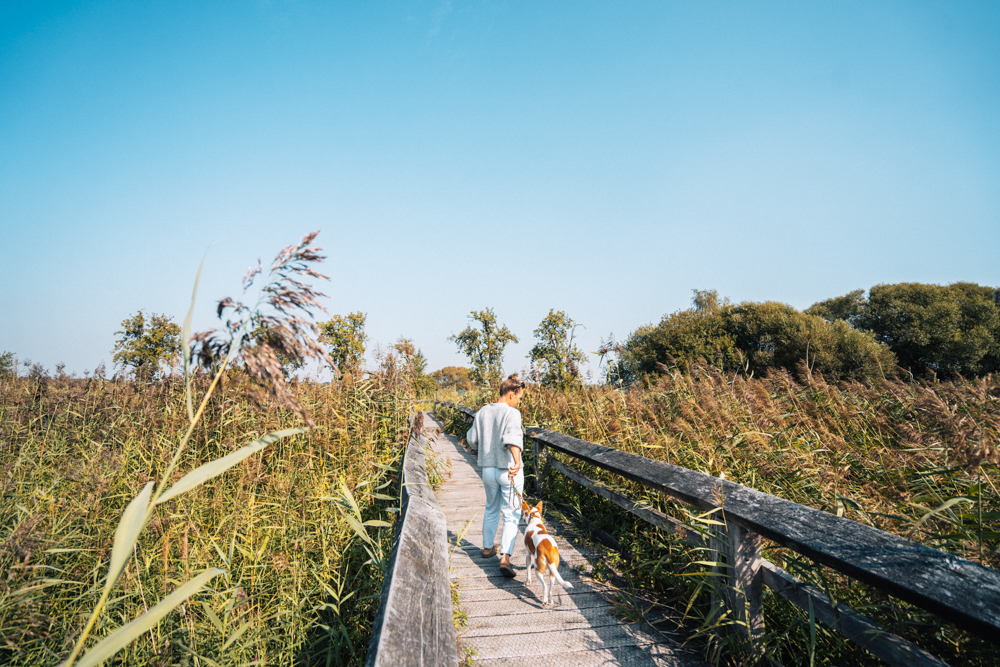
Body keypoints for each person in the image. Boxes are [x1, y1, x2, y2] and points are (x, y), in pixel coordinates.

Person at [466, 373, 525, 578]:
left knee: (491, 507)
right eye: (518, 398)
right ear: (511, 394)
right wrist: (517, 462)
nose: (518, 402)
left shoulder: (483, 411)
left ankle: (487, 548)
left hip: (488, 470)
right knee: (511, 513)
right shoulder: (512, 413)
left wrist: (486, 447)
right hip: (508, 469)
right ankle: (505, 557)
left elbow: (472, 440)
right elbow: (513, 439)